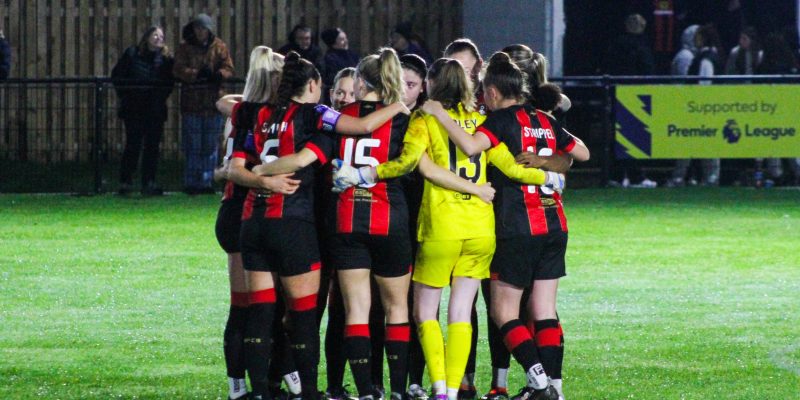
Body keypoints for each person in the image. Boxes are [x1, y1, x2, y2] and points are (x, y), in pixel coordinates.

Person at [333, 58, 562, 400]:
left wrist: (366, 174)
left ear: (432, 85)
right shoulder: (482, 120)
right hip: (480, 228)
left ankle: (439, 387)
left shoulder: (424, 118)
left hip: (442, 226)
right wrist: (547, 176)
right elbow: (509, 166)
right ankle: (455, 390)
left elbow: (411, 163)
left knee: (424, 311)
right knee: (461, 314)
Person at [227, 51, 407, 400]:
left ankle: (261, 392)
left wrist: (258, 177)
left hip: (253, 224)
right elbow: (359, 128)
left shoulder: (260, 115)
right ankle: (309, 392)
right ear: (311, 85)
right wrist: (397, 106)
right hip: (292, 222)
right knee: (304, 316)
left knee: (261, 312)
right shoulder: (317, 117)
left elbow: (234, 169)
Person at [424, 52, 589, 400]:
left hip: (517, 224)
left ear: (494, 92)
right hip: (555, 222)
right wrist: (547, 161)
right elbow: (582, 154)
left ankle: (538, 380)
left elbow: (469, 145)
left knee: (503, 312)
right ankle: (554, 389)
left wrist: (438, 113)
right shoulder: (543, 119)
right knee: (544, 310)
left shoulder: (499, 121)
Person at [212, 46, 297, 400]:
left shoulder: (240, 113)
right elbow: (235, 170)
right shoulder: (262, 117)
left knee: (249, 306)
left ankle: (247, 386)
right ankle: (267, 384)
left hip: (233, 211)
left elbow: (224, 103)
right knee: (261, 308)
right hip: (248, 209)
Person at [173, 13, 234, 195]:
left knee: (209, 145)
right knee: (193, 144)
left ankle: (206, 181)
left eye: (204, 28)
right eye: (198, 28)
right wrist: (196, 74)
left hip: (213, 104)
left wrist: (218, 75)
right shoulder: (185, 48)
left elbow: (228, 68)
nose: (201, 32)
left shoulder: (219, 47)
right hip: (192, 103)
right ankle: (192, 182)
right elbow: (177, 69)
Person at [111, 26, 175, 196]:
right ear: (146, 37)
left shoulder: (166, 59)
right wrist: (127, 95)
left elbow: (170, 83)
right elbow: (117, 76)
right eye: (155, 35)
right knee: (133, 145)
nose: (158, 38)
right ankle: (126, 181)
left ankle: (149, 182)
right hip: (134, 109)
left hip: (155, 110)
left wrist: (159, 97)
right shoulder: (132, 54)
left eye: (161, 36)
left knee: (152, 147)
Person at [603, 15, 657, 188]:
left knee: (616, 137)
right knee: (636, 136)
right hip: (636, 96)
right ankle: (636, 177)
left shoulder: (614, 45)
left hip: (617, 93)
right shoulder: (641, 46)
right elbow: (648, 70)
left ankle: (617, 176)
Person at [755, 33, 800, 186]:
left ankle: (777, 174)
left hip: (776, 111)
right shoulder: (790, 64)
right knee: (786, 144)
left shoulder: (773, 65)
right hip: (783, 111)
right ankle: (782, 174)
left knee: (777, 143)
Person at [686, 23, 722, 187]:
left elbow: (704, 83)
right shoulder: (710, 55)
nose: (696, 40)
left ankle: (711, 177)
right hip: (705, 107)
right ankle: (706, 176)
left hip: (704, 107)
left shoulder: (706, 59)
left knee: (709, 143)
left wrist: (698, 104)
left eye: (698, 36)